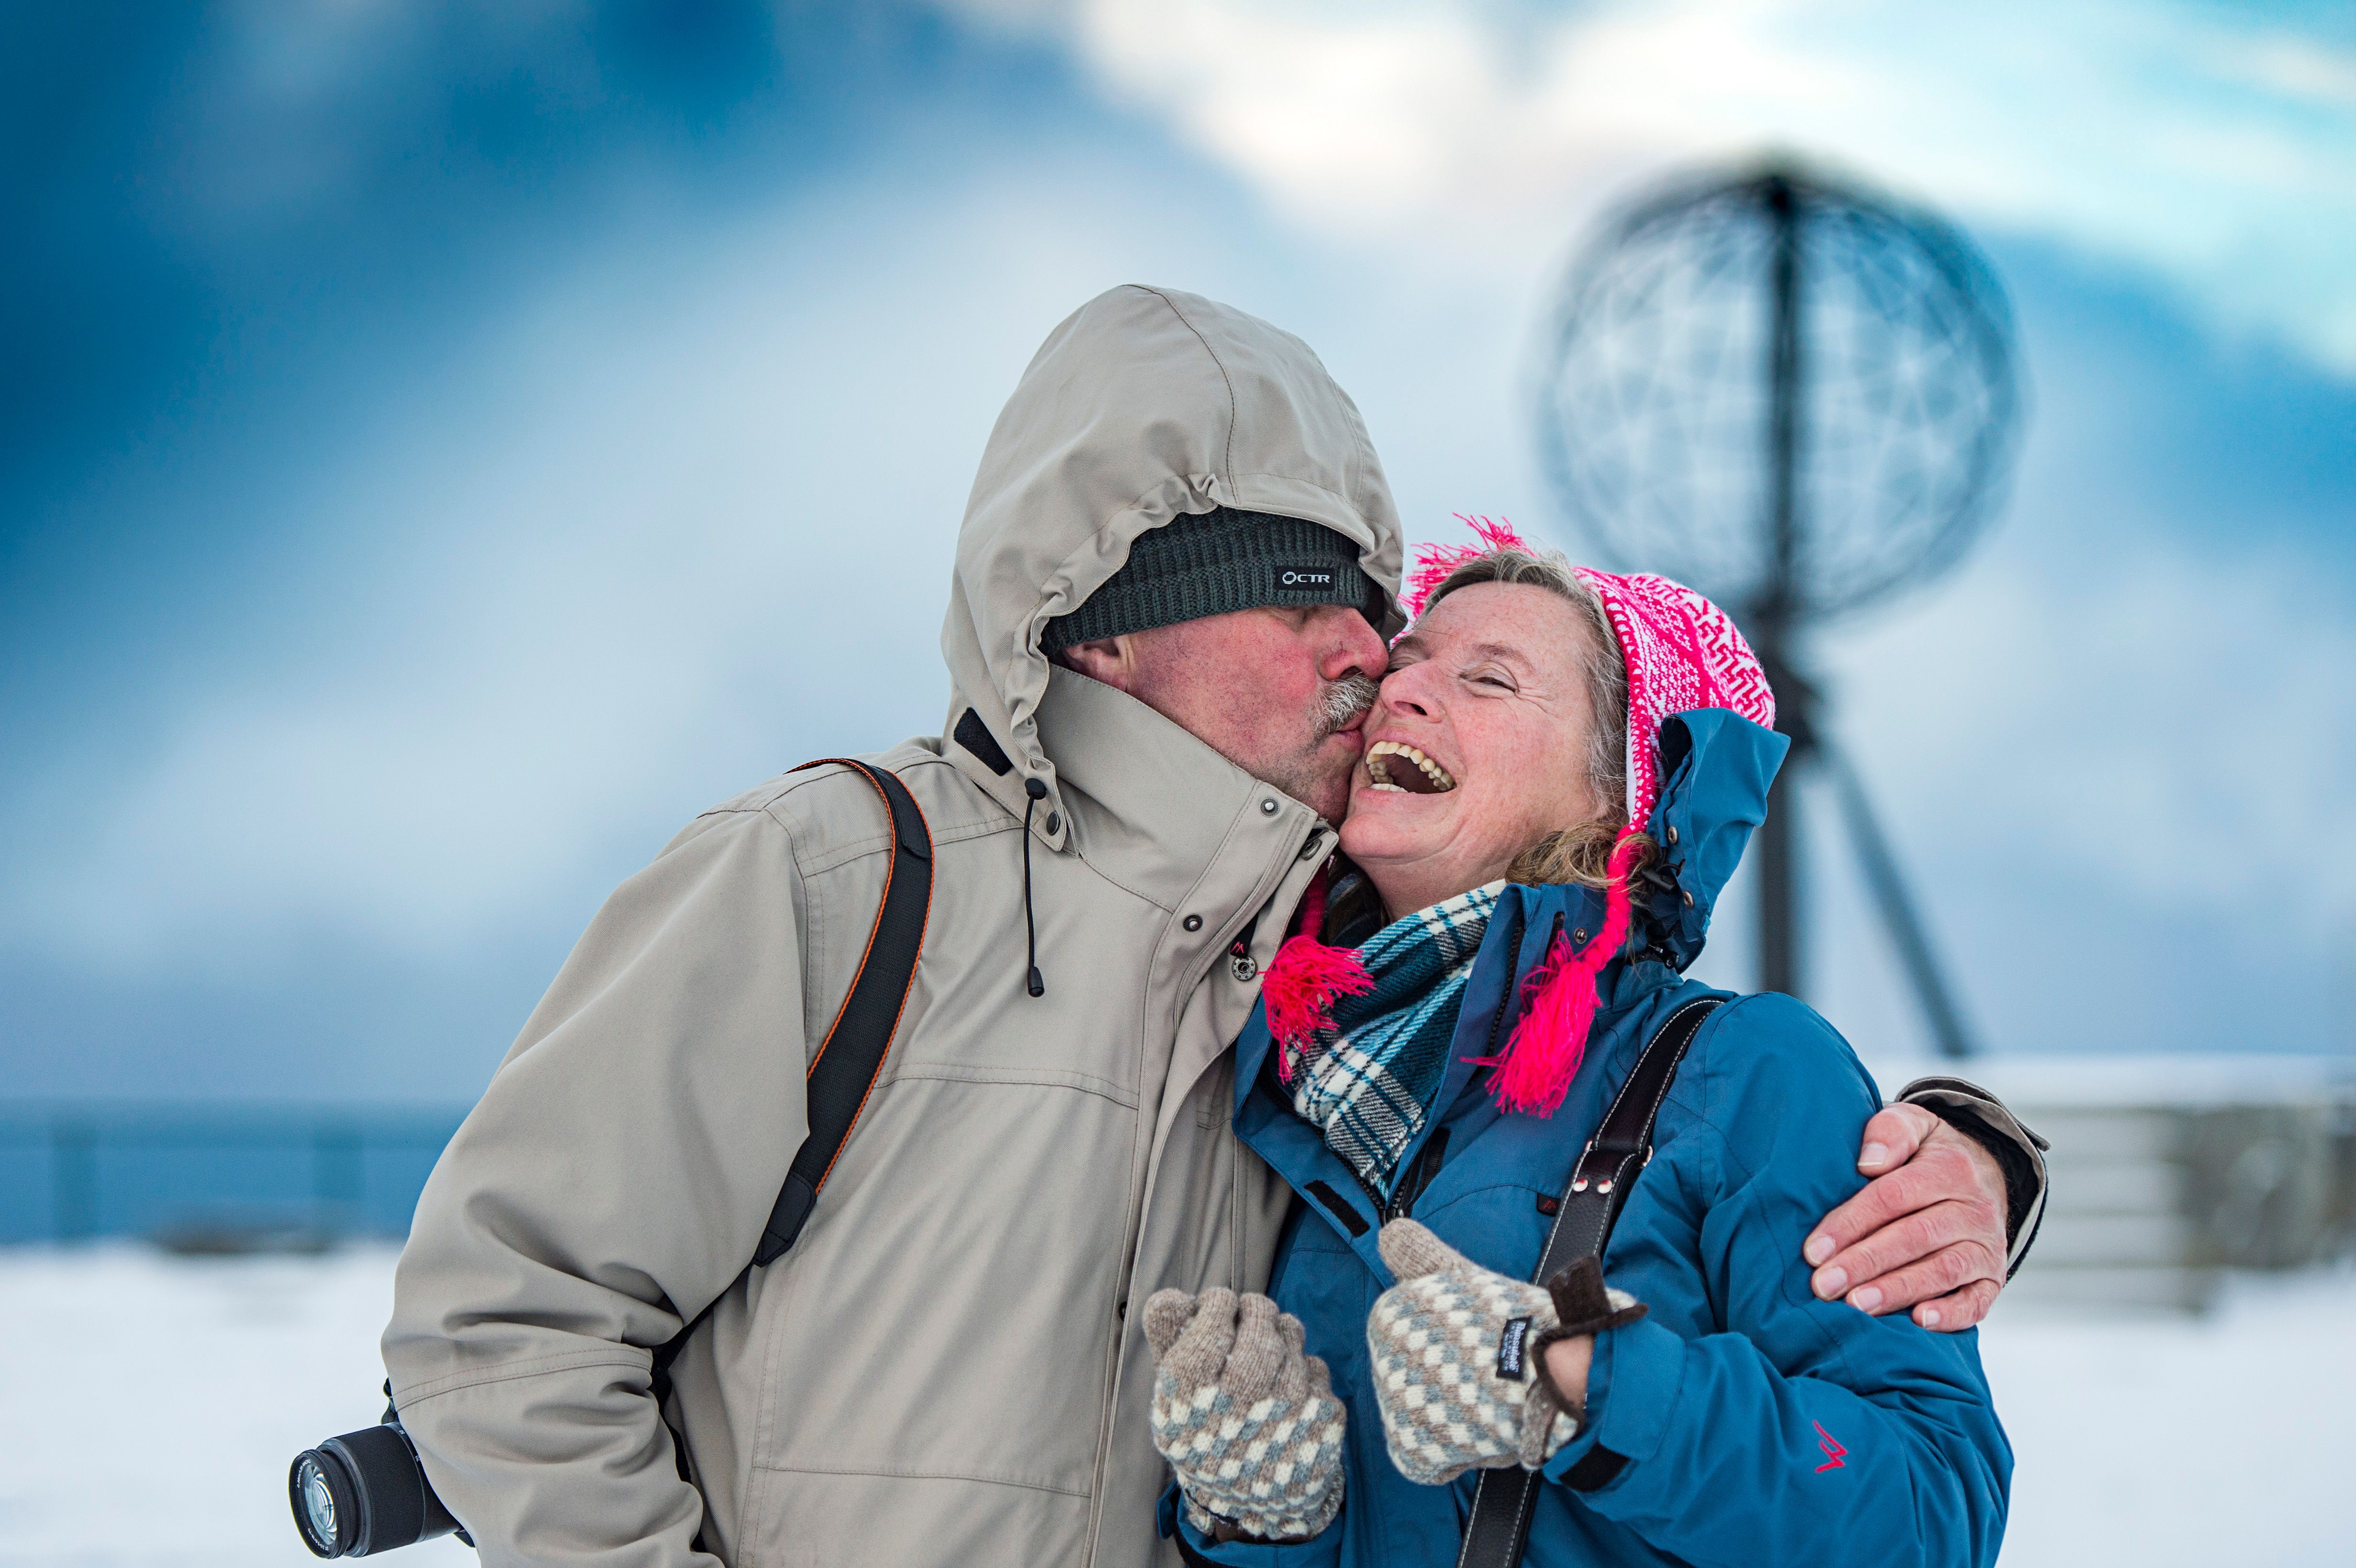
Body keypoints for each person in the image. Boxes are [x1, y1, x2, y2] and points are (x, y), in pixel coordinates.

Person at [383, 289, 2040, 1568]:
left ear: (1617, 793)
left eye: (1458, 658)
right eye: (1323, 607)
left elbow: (1910, 1484)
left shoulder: (1468, 1032)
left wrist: (1955, 1169)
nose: (1376, 661)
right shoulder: (917, 904)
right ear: (1103, 626)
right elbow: (508, 1312)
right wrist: (1264, 1513)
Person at [1145, 526, 2014, 1568]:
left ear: (1622, 802)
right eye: (1410, 661)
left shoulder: (1746, 1068)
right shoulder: (1286, 1091)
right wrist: (1261, 1521)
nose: (1404, 692)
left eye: (1491, 680)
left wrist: (1578, 1378)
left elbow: (1927, 1512)